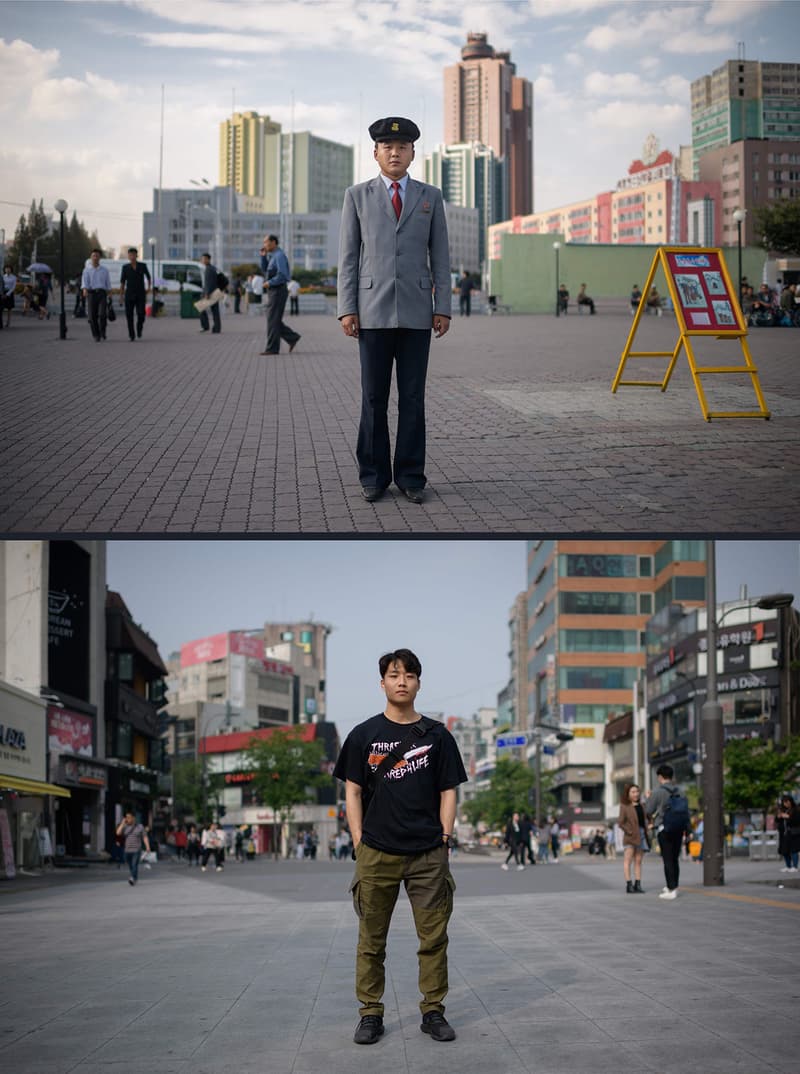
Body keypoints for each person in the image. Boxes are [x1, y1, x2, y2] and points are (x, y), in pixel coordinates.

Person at [334, 647, 467, 1046]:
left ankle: (433, 1011)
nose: (402, 681)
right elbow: (352, 791)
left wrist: (444, 838)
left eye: (409, 675)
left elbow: (448, 790)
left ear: (418, 683)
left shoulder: (438, 736)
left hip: (428, 853)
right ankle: (370, 1014)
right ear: (382, 683)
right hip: (377, 853)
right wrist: (359, 842)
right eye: (394, 675)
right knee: (371, 941)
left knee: (434, 939)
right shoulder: (363, 735)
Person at [338, 116, 451, 505]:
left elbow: (441, 256)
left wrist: (444, 307)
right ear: (375, 153)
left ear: (413, 153)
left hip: (419, 312)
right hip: (371, 311)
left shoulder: (429, 196)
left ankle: (410, 476)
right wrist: (346, 309)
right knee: (373, 398)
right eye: (387, 146)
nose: (395, 152)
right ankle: (373, 476)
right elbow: (348, 258)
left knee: (413, 398)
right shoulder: (357, 196)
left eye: (402, 147)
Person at [645, 763, 688, 900]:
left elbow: (648, 810)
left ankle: (671, 889)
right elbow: (686, 812)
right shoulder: (680, 791)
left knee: (667, 859)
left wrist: (648, 798)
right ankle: (674, 885)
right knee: (675, 859)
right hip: (679, 828)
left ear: (660, 777)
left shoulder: (658, 792)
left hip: (665, 828)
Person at [260, 234, 300, 355]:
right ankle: (292, 337)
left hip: (278, 290)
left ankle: (272, 348)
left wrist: (269, 282)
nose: (264, 245)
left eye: (266, 242)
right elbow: (266, 270)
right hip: (274, 291)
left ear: (273, 242)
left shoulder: (279, 256)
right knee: (273, 319)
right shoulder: (272, 256)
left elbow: (283, 275)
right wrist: (263, 257)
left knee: (272, 319)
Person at [618, 783, 649, 894]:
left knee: (638, 861)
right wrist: (629, 831)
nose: (636, 794)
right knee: (628, 861)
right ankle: (629, 885)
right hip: (630, 836)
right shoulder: (624, 806)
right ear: (628, 794)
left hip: (641, 835)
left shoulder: (642, 805)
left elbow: (646, 818)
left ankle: (638, 884)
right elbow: (620, 822)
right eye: (633, 792)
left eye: (637, 791)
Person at [119, 246, 151, 342]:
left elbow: (148, 277)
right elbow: (122, 282)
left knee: (141, 314)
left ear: (137, 255)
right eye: (130, 255)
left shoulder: (143, 266)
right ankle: (131, 334)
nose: (132, 256)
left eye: (134, 254)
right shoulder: (125, 267)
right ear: (128, 256)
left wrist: (148, 288)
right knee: (129, 316)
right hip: (129, 294)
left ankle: (139, 328)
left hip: (141, 294)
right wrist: (121, 296)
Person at [81, 249, 112, 341]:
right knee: (91, 317)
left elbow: (108, 283)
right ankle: (96, 335)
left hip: (102, 294)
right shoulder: (86, 270)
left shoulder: (104, 270)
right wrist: (84, 290)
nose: (95, 258)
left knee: (102, 315)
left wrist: (110, 293)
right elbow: (84, 282)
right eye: (93, 256)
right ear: (91, 257)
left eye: (97, 256)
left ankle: (103, 331)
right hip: (91, 294)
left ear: (100, 258)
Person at [116, 810, 151, 886]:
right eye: (126, 817)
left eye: (129, 817)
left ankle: (132, 878)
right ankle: (135, 877)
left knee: (134, 864)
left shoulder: (140, 826)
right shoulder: (125, 826)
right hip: (127, 850)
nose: (127, 819)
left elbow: (144, 837)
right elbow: (118, 833)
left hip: (136, 850)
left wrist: (148, 847)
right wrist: (122, 823)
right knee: (131, 865)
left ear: (133, 818)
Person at [197, 253, 221, 334]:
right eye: (202, 259)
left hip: (210, 293)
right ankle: (216, 328)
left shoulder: (209, 269)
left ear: (208, 259)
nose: (202, 260)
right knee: (215, 311)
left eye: (203, 259)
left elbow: (209, 283)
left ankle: (205, 326)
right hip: (215, 292)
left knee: (201, 308)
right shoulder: (213, 268)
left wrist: (207, 293)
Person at [776, 795, 800, 873]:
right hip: (785, 833)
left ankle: (795, 866)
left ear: (791, 801)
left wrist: (788, 817)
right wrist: (779, 817)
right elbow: (777, 821)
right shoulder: (783, 810)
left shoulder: (796, 809)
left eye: (787, 801)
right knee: (785, 850)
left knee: (794, 850)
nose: (785, 803)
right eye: (784, 802)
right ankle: (788, 866)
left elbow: (796, 821)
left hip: (794, 833)